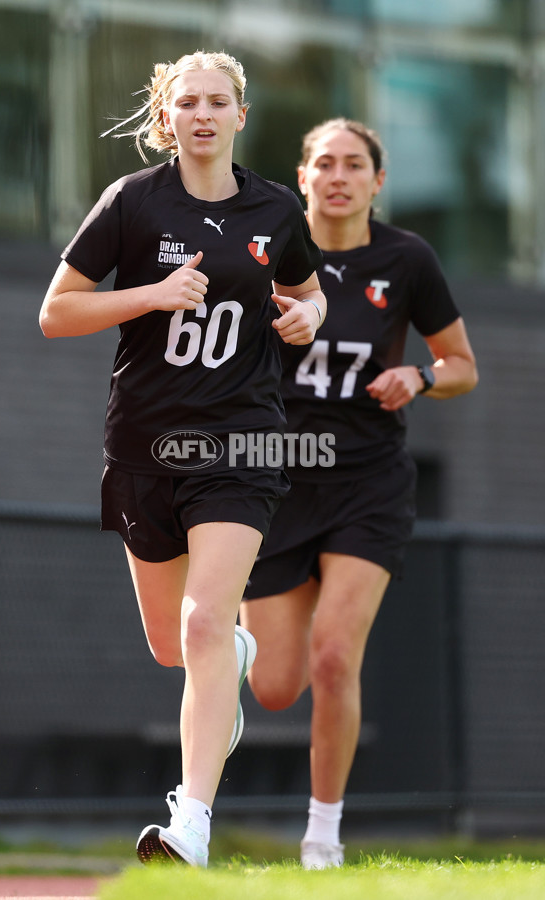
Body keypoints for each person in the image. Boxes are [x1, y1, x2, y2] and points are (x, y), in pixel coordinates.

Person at [39, 51, 326, 868]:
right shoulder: (131, 203)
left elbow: (308, 293)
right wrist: (153, 296)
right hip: (143, 448)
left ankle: (189, 822)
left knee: (205, 619)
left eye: (217, 102)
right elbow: (56, 313)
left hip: (241, 442)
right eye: (187, 103)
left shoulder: (275, 208)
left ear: (241, 114)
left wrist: (307, 316)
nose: (202, 115)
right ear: (167, 119)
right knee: (177, 645)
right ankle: (228, 659)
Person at [239, 117, 478, 870]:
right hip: (275, 478)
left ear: (377, 183)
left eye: (355, 165)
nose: (338, 176)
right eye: (324, 164)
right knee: (275, 687)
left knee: (336, 659)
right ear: (302, 177)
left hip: (367, 482)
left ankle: (323, 837)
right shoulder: (264, 250)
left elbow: (463, 363)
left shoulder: (406, 259)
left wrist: (422, 375)